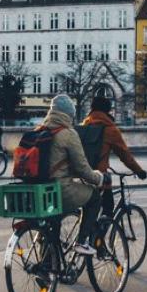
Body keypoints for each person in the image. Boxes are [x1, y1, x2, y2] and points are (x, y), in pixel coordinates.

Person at [38, 94, 104, 255]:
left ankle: (48, 266)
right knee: (95, 197)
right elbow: (82, 168)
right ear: (69, 114)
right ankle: (81, 242)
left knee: (54, 220)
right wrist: (98, 178)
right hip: (60, 190)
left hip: (40, 191)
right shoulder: (68, 133)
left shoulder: (40, 130)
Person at [81, 96, 147, 218]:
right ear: (108, 110)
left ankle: (90, 232)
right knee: (108, 209)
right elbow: (124, 155)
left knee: (89, 210)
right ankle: (99, 235)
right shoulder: (110, 129)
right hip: (100, 177)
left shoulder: (84, 126)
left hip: (83, 175)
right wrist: (139, 171)